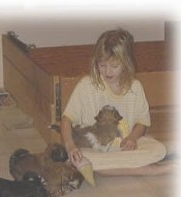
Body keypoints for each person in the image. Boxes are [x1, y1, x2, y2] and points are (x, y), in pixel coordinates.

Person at [61, 28, 173, 176]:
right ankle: (160, 169)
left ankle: (116, 166)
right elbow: (66, 119)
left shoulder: (135, 88)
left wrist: (133, 138)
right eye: (102, 65)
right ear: (96, 62)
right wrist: (70, 146)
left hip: (124, 150)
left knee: (158, 149)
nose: (108, 72)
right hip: (95, 151)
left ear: (126, 64)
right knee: (85, 158)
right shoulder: (86, 85)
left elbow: (142, 122)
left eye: (114, 66)